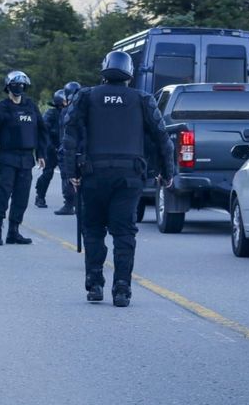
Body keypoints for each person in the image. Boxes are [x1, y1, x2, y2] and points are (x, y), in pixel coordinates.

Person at [62, 51, 174, 307]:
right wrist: (167, 173)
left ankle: (95, 284)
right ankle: (122, 288)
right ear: (129, 74)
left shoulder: (86, 96)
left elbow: (69, 136)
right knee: (124, 233)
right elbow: (163, 139)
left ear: (104, 71)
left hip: (93, 174)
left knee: (93, 229)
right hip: (129, 177)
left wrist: (71, 173)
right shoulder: (142, 99)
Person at [0, 70, 47, 245]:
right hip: (7, 158)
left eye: (21, 85)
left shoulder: (31, 106)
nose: (18, 87)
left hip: (27, 159)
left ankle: (14, 231)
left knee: (22, 197)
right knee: (3, 194)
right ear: (8, 87)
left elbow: (41, 131)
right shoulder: (1, 107)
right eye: (15, 84)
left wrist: (41, 153)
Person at [54, 81, 82, 215]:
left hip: (67, 148)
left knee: (67, 177)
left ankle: (69, 204)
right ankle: (77, 204)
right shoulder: (85, 109)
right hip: (81, 150)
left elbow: (64, 134)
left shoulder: (67, 110)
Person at [34, 89, 66, 208]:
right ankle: (40, 196)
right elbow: (44, 131)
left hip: (65, 148)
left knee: (68, 174)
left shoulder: (71, 112)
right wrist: (50, 146)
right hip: (51, 148)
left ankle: (70, 201)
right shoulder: (51, 114)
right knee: (47, 173)